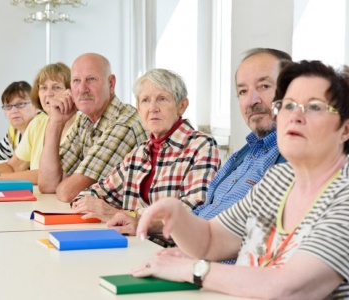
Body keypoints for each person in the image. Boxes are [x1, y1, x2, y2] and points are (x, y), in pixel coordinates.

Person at [132, 60, 349, 299]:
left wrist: (190, 269)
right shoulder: (278, 179)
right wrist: (177, 213)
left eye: (315, 107)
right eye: (287, 105)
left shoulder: (344, 195)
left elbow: (289, 288)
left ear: (345, 129)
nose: (295, 116)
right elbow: (211, 240)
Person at [107, 48, 290, 238]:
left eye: (264, 86)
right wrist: (142, 224)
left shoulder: (292, 158)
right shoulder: (245, 154)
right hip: (184, 251)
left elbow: (246, 239)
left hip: (199, 259)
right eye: (243, 91)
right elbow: (202, 218)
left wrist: (137, 218)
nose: (252, 100)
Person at [71, 69, 220, 235]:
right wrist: (87, 204)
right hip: (133, 245)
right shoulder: (140, 152)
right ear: (139, 109)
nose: (153, 108)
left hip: (173, 251)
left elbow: (195, 209)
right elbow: (91, 194)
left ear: (181, 106)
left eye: (162, 99)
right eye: (145, 101)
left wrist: (129, 215)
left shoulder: (202, 146)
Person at [38, 53, 147, 201]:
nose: (82, 89)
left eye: (91, 79)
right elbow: (47, 184)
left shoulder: (125, 124)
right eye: (76, 81)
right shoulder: (85, 121)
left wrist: (66, 181)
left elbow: (68, 192)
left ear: (111, 83)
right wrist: (56, 122)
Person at [0, 62, 76, 185]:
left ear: (71, 92)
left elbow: (47, 175)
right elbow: (13, 166)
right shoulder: (37, 124)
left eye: (56, 87)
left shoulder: (80, 126)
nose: (49, 93)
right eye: (43, 88)